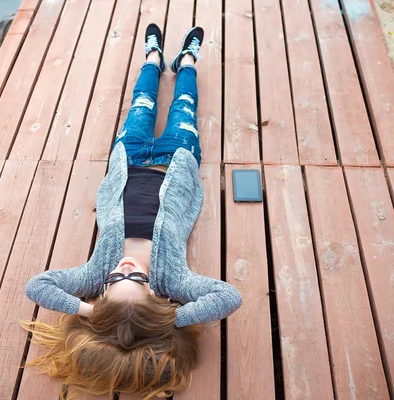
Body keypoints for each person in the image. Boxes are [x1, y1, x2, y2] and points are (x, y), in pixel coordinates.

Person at [22, 24, 242, 399]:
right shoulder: (172, 281)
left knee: (142, 101)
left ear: (101, 293)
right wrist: (170, 318)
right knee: (184, 105)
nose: (123, 270)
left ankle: (153, 59)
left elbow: (37, 287)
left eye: (113, 284)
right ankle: (187, 61)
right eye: (135, 281)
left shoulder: (93, 275)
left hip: (129, 156)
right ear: (156, 294)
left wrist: (91, 312)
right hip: (177, 160)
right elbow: (228, 297)